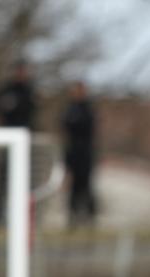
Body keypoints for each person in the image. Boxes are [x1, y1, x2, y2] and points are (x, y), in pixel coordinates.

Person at [0, 59, 36, 226]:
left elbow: (32, 115)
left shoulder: (30, 90)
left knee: (24, 180)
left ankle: (22, 217)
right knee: (2, 178)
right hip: (6, 139)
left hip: (24, 141)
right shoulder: (5, 90)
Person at [61, 81, 97, 225]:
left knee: (86, 186)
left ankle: (89, 216)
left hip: (85, 154)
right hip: (72, 153)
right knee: (73, 187)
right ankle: (72, 216)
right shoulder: (69, 109)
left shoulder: (89, 109)